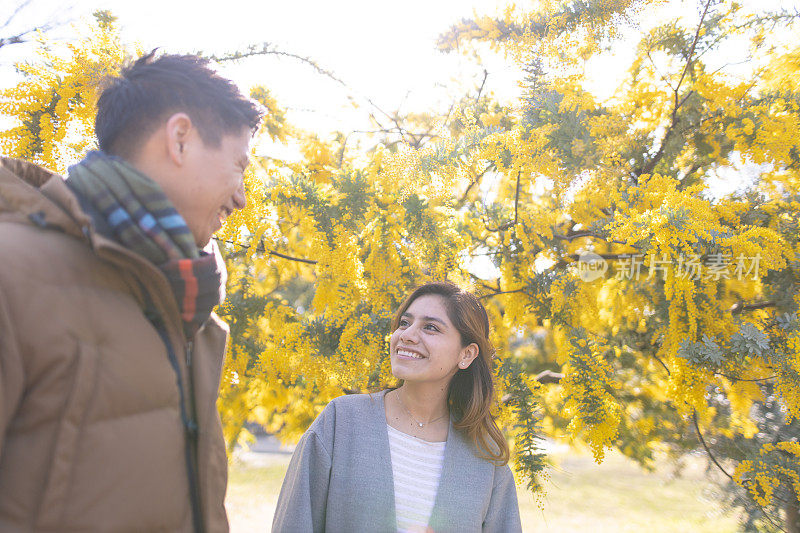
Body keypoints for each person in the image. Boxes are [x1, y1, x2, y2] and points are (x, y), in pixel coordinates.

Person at [0, 51, 263, 532]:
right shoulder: (13, 273)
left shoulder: (191, 316)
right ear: (180, 138)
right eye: (239, 166)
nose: (242, 197)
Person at [272, 281, 523, 532]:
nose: (407, 335)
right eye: (405, 322)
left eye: (431, 327)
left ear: (466, 355)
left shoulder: (485, 455)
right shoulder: (341, 422)